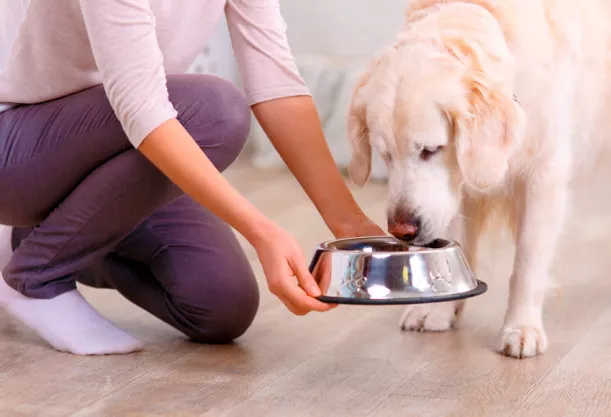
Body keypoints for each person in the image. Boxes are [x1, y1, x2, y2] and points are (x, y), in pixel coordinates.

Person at [0, 0, 385, 356]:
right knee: (216, 112)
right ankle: (36, 276)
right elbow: (142, 109)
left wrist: (349, 222)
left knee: (220, 305)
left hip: (120, 154)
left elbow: (277, 86)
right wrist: (261, 230)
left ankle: (44, 240)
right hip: (21, 152)